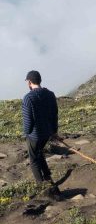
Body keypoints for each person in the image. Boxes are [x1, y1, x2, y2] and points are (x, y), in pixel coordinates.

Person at [22, 70, 61, 199]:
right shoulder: (50, 94)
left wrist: (26, 133)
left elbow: (28, 121)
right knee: (40, 154)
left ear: (29, 82)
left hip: (34, 135)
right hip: (47, 133)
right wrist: (54, 131)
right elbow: (54, 114)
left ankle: (43, 188)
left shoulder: (28, 98)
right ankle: (49, 180)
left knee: (33, 160)